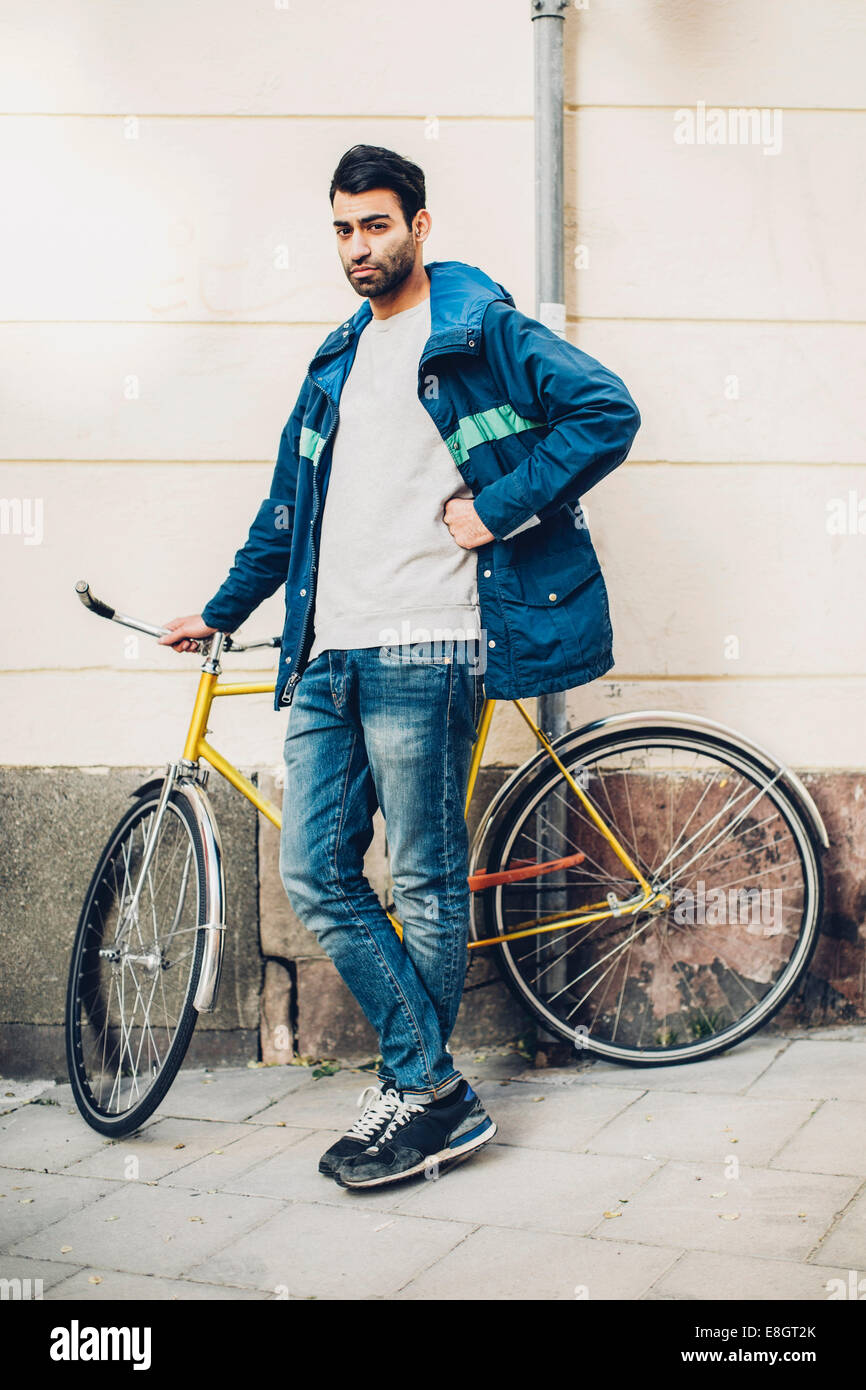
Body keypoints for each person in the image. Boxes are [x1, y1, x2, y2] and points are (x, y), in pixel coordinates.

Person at [160, 143, 641, 1190]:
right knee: (315, 874)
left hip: (430, 641)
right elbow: (285, 511)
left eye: (375, 224)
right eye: (341, 228)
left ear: (418, 226)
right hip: (328, 647)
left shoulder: (476, 330)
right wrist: (224, 607)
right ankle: (433, 1088)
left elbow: (605, 411)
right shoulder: (335, 357)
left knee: (422, 880)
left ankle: (415, 1102)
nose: (356, 246)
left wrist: (497, 506)